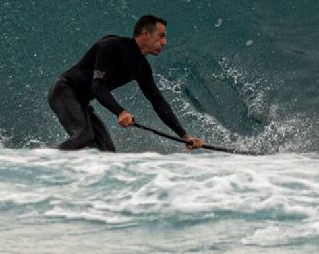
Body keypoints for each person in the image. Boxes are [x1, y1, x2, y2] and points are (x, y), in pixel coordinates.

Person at [48, 15, 204, 152]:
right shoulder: (111, 45)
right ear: (145, 34)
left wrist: (184, 136)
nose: (164, 42)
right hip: (64, 90)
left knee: (107, 151)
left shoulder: (142, 67)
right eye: (161, 36)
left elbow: (158, 102)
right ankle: (44, 164)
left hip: (82, 102)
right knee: (83, 136)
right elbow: (98, 86)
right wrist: (120, 112)